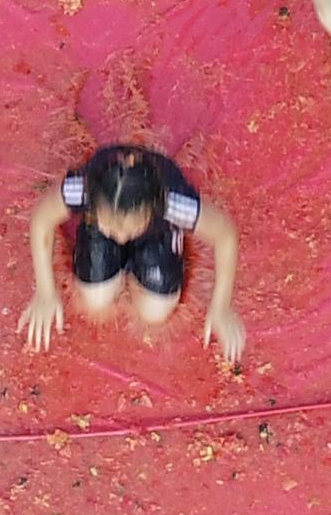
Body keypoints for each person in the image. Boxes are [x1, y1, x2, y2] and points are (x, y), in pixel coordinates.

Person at [24, 143, 245, 368]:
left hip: (156, 234)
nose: (121, 238)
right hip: (101, 226)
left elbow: (224, 234)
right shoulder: (82, 189)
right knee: (95, 299)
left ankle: (132, 257)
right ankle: (112, 250)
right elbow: (42, 219)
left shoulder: (173, 204)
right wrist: (45, 291)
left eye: (129, 230)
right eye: (112, 228)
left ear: (152, 210)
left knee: (155, 312)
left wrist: (221, 306)